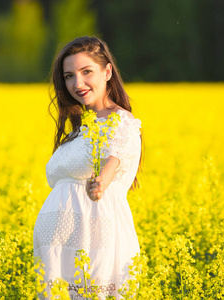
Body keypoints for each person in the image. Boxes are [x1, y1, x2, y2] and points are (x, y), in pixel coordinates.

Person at [33, 36, 142, 299]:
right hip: (56, 251)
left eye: (86, 72)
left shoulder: (121, 122)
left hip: (91, 247)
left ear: (107, 72)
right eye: (69, 76)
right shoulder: (79, 129)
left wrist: (100, 184)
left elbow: (112, 162)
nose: (77, 83)